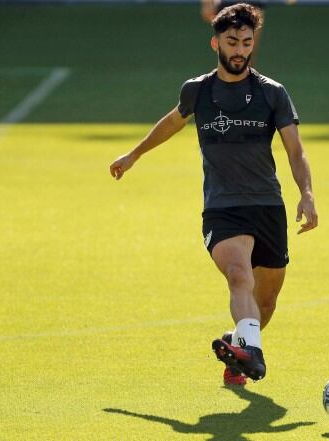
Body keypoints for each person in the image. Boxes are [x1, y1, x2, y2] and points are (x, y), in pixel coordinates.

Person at [109, 3, 317, 386]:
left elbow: (295, 150)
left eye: (246, 43)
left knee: (266, 302)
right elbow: (172, 122)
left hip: (268, 206)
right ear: (215, 42)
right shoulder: (198, 91)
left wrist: (307, 193)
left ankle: (237, 345)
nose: (239, 50)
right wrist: (134, 153)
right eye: (232, 41)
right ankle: (251, 352)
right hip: (223, 209)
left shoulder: (272, 94)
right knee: (239, 277)